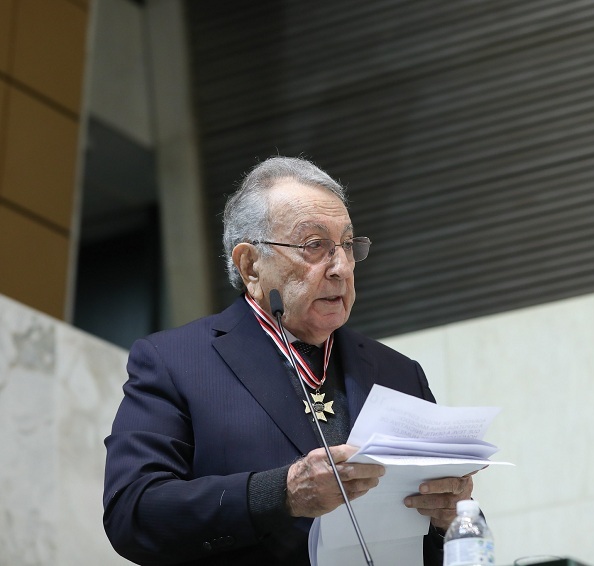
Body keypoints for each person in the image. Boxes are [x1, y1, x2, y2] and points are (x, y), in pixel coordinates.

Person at [103, 156, 474, 565]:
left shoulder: (399, 373)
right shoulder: (177, 362)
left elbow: (443, 542)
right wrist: (281, 492)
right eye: (315, 246)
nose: (342, 267)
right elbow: (132, 512)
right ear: (251, 265)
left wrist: (446, 518)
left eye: (348, 245)